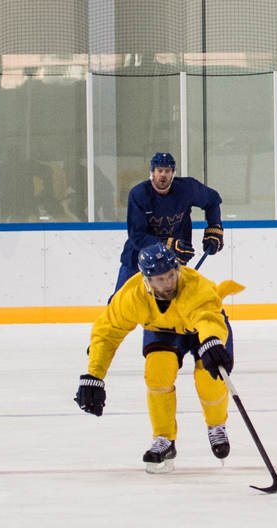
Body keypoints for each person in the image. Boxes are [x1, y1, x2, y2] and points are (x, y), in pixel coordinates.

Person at [76, 240, 243, 472]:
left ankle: (216, 426)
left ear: (177, 269)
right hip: (163, 330)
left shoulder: (195, 286)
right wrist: (94, 374)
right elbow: (107, 333)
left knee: (209, 379)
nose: (167, 283)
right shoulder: (132, 295)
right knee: (157, 374)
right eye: (160, 279)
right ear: (147, 280)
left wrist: (211, 339)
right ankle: (164, 439)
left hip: (201, 332)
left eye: (171, 275)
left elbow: (208, 317)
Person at [114, 152, 223, 294]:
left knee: (179, 302)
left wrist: (214, 228)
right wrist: (167, 246)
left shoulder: (187, 189)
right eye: (159, 170)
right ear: (152, 172)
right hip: (138, 260)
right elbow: (137, 235)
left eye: (167, 171)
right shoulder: (139, 194)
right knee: (118, 301)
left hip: (172, 262)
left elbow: (213, 200)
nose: (163, 175)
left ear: (173, 173)